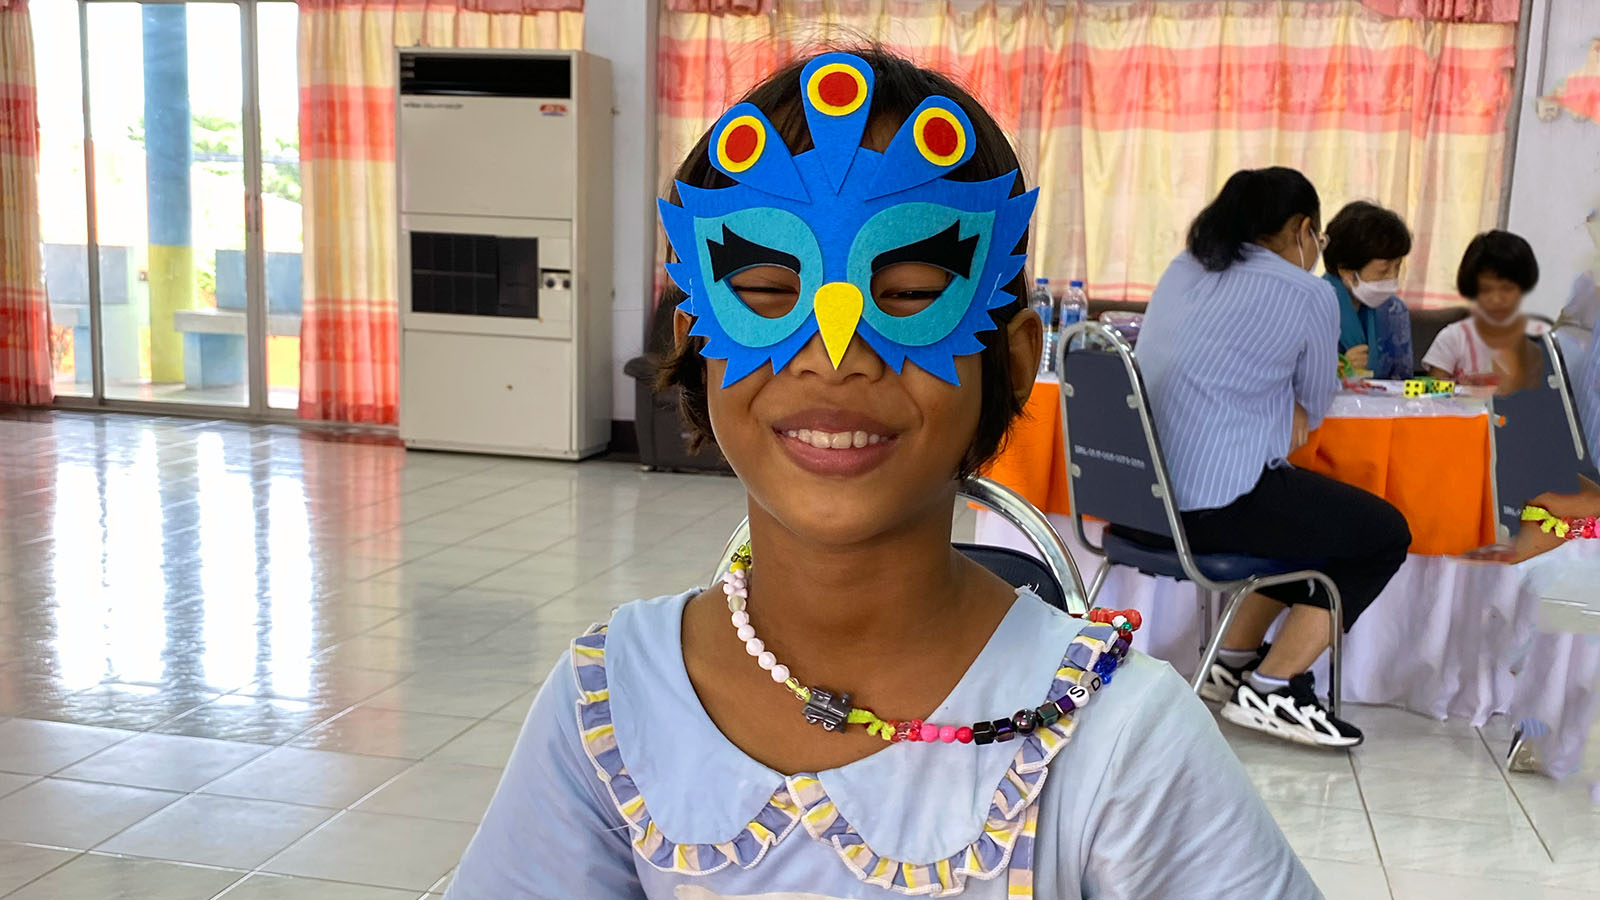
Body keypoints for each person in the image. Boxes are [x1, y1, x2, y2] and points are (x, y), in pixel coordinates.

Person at [443, 50, 1317, 898]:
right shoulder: (610, 702)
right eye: (765, 289)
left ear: (1013, 362)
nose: (835, 352)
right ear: (696, 349)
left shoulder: (1119, 738)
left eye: (908, 293)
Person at [1129, 167, 1412, 749]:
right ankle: (1273, 686)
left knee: (1313, 524)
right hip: (1214, 507)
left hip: (1143, 503)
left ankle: (1232, 661)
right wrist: (1288, 400)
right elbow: (1317, 399)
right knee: (1382, 533)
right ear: (1304, 229)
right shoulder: (1307, 293)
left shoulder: (1183, 269)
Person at [1422, 230, 1542, 391]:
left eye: (1507, 288)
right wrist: (1463, 391)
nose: (1496, 299)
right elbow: (1431, 395)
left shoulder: (1534, 341)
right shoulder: (1454, 338)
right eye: (1486, 289)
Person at [1320, 201, 1414, 378]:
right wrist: (1340, 369)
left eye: (1398, 267)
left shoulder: (1394, 311)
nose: (1392, 278)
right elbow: (1293, 380)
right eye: (1384, 270)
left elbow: (1403, 380)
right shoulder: (1312, 308)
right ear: (1347, 271)